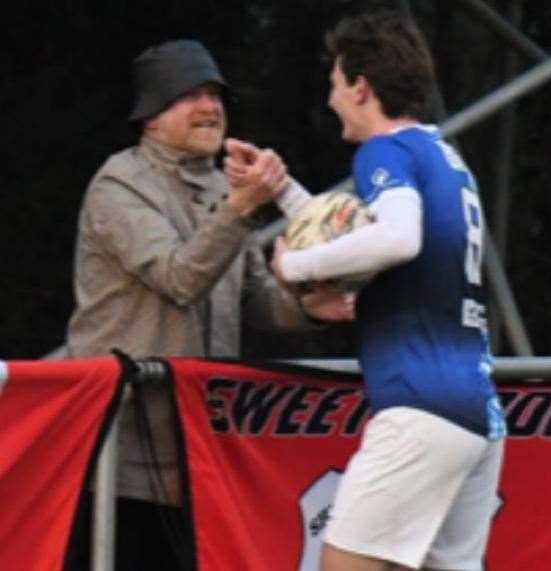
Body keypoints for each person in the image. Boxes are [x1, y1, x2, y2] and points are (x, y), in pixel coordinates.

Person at [228, 7, 507, 571]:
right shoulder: (442, 156)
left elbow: (398, 239)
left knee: (345, 564)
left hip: (420, 407)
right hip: (478, 412)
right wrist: (282, 191)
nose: (330, 99)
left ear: (360, 87)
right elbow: (375, 240)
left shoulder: (386, 150)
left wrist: (296, 267)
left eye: (334, 84)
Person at [65, 38, 352, 570]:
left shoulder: (222, 187)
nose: (210, 107)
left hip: (201, 448)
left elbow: (256, 304)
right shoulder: (119, 185)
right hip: (122, 452)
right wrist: (242, 206)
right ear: (150, 118)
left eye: (215, 94)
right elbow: (179, 278)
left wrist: (310, 307)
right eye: (188, 95)